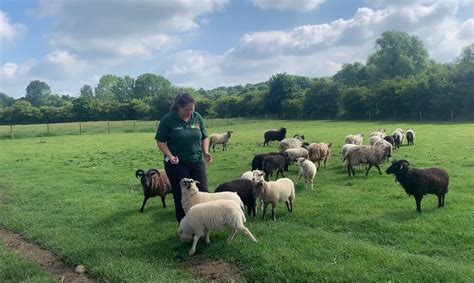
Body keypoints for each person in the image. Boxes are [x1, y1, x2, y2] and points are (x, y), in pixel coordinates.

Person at [155, 92, 213, 223]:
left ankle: (204, 224)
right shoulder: (168, 120)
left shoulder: (197, 118)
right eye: (186, 109)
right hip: (177, 164)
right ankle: (185, 226)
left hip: (197, 161)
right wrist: (169, 156)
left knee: (203, 192)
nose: (189, 112)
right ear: (178, 107)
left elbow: (204, 137)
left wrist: (205, 152)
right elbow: (160, 141)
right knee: (181, 194)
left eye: (192, 109)